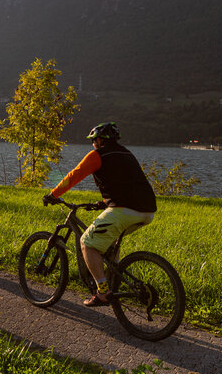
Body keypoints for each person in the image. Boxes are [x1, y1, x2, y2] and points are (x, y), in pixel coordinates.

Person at [45, 122, 156, 307]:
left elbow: (74, 176)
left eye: (93, 140)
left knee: (86, 244)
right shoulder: (127, 154)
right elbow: (129, 184)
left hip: (124, 212)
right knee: (110, 241)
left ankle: (103, 292)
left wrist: (53, 194)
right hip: (147, 212)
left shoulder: (98, 155)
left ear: (98, 140)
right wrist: (104, 202)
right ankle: (114, 281)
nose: (93, 144)